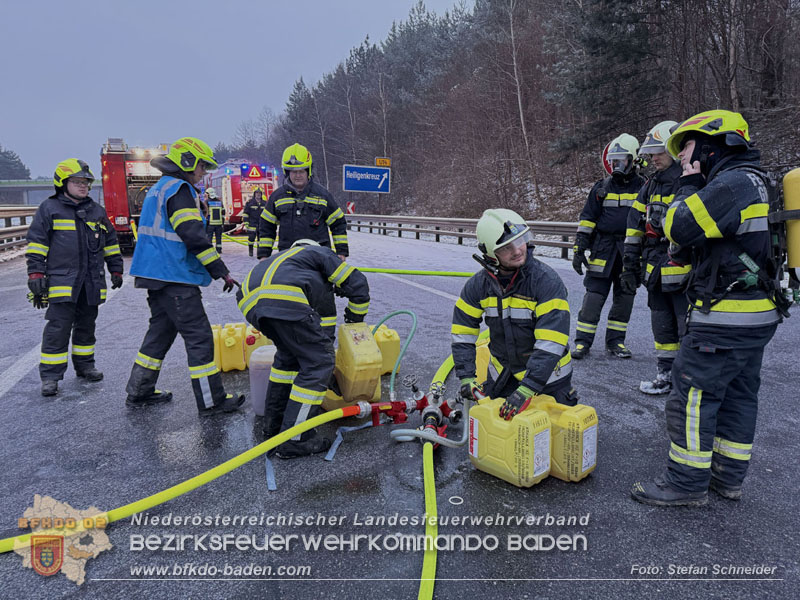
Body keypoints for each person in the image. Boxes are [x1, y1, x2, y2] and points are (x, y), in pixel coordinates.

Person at [631, 110, 783, 506]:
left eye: (688, 148)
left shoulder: (730, 185)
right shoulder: (758, 182)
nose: (683, 158)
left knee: (693, 396)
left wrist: (688, 185)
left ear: (716, 145)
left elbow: (679, 226)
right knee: (738, 395)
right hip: (756, 315)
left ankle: (686, 483)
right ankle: (727, 478)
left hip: (724, 317)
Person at [124, 137, 245, 416]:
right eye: (202, 166)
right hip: (174, 276)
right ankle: (212, 401)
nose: (204, 172)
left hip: (157, 275)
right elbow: (192, 235)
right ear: (188, 162)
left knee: (160, 333)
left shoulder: (160, 189)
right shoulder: (180, 190)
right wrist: (221, 271)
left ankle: (140, 390)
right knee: (199, 337)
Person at [237, 239, 370, 457]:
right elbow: (359, 285)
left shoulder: (287, 262)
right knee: (319, 363)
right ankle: (296, 439)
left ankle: (273, 427)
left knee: (287, 360)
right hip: (284, 299)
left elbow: (318, 329)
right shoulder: (321, 254)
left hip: (250, 303)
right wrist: (355, 322)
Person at [452, 209, 577, 418]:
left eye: (520, 241)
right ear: (490, 254)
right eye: (506, 247)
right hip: (503, 376)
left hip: (549, 380)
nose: (518, 250)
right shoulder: (478, 286)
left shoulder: (547, 282)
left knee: (550, 440)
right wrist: (466, 377)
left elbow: (550, 343)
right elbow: (463, 333)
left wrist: (528, 389)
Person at [26, 159, 124, 397]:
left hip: (91, 281)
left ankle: (85, 365)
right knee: (58, 328)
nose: (84, 187)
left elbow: (110, 243)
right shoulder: (49, 209)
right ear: (63, 183)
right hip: (62, 281)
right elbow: (37, 244)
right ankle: (50, 376)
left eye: (86, 183)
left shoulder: (96, 211)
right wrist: (36, 273)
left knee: (86, 327)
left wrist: (116, 269)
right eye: (78, 182)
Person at [621, 121, 689, 394]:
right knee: (662, 329)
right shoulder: (650, 186)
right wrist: (629, 264)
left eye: (657, 152)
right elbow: (634, 226)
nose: (652, 158)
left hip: (685, 273)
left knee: (688, 329)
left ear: (674, 149)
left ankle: (688, 381)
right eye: (650, 153)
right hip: (655, 272)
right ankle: (665, 375)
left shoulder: (691, 182)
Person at [572, 134, 646, 359]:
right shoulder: (600, 188)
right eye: (613, 162)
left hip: (630, 253)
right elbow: (587, 220)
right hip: (603, 249)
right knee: (593, 298)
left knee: (624, 299)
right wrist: (579, 249)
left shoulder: (645, 187)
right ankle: (582, 343)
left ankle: (616, 343)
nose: (616, 166)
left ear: (633, 161)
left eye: (621, 161)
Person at [257, 143, 348, 261]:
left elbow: (338, 223)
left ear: (308, 171)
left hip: (319, 257)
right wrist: (264, 255)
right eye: (294, 172)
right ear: (287, 172)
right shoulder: (277, 197)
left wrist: (341, 252)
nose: (297, 175)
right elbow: (266, 226)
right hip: (288, 257)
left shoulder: (322, 196)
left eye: (301, 171)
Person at [242, 188, 266, 257]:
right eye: (257, 193)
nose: (258, 194)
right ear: (254, 194)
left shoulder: (265, 203)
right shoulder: (250, 203)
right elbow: (246, 213)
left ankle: (259, 252)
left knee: (260, 240)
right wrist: (246, 222)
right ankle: (251, 252)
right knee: (251, 239)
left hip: (261, 225)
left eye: (259, 193)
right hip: (252, 224)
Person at [205, 188, 223, 254]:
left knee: (209, 237)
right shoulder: (219, 201)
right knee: (218, 238)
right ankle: (219, 250)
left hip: (210, 223)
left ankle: (210, 251)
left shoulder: (207, 202)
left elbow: (205, 212)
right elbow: (223, 212)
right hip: (219, 223)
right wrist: (222, 222)